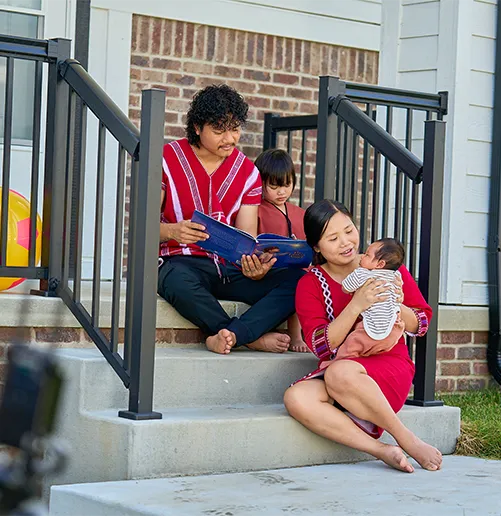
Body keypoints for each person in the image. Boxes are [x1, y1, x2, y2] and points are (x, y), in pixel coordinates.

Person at [283, 199, 443, 473]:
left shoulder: (385, 263)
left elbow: (422, 323)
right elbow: (322, 348)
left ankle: (406, 438)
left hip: (388, 365)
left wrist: (397, 305)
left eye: (349, 230)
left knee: (338, 373)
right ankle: (382, 451)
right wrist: (356, 304)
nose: (346, 242)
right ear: (317, 247)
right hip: (342, 367)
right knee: (296, 398)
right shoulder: (310, 284)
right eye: (333, 238)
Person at [157, 84, 305, 355]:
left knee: (299, 281)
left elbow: (246, 238)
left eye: (235, 128)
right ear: (198, 128)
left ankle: (234, 335)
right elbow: (144, 228)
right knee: (176, 280)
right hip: (181, 262)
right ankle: (248, 337)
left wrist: (253, 265)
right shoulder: (167, 159)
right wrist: (173, 231)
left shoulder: (248, 172)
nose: (230, 138)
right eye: (219, 130)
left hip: (228, 269)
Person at [254, 149, 309, 353]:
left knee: (302, 278)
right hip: (267, 271)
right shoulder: (256, 210)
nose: (281, 192)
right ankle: (293, 335)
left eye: (286, 185)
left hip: (295, 270)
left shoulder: (299, 213)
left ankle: (298, 334)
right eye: (274, 186)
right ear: (260, 183)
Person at [336, 237, 406, 360]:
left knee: (350, 346)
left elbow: (346, 288)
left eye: (367, 255)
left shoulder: (364, 274)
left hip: (371, 329)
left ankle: (337, 362)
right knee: (375, 350)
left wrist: (355, 273)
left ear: (380, 264)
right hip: (394, 329)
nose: (362, 256)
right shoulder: (396, 275)